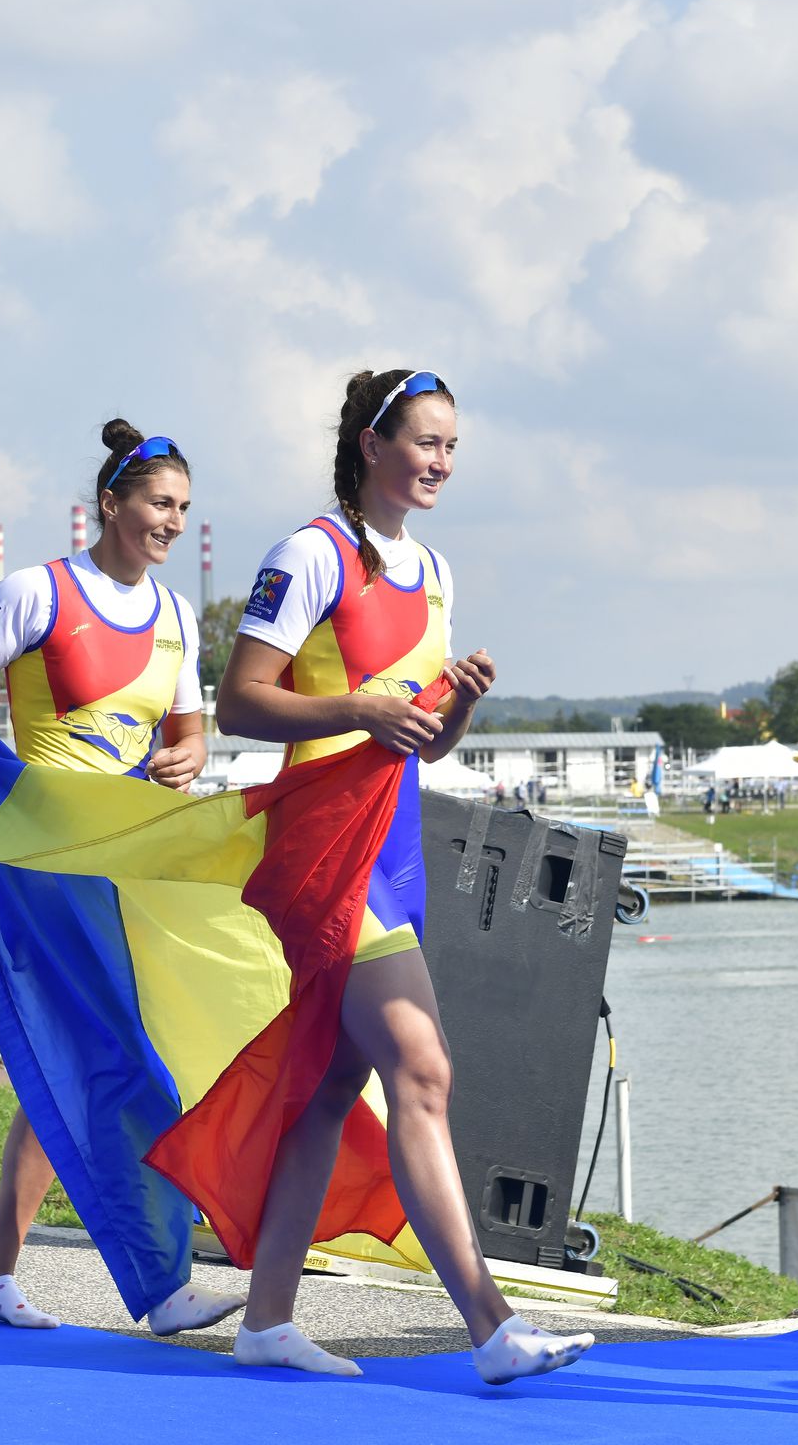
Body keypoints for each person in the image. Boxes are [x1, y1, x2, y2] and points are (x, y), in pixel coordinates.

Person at [213, 369, 593, 1383]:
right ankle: (492, 1323)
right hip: (321, 851)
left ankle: (266, 1320)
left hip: (394, 844)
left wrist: (453, 706)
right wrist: (360, 711)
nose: (440, 463)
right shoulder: (310, 555)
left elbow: (419, 746)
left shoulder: (434, 571)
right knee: (421, 1068)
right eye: (425, 442)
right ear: (372, 443)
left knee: (335, 1083)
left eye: (452, 448)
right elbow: (239, 704)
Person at [0, 417, 244, 1338]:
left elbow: (190, 735)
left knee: (66, 1063)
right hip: (46, 861)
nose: (172, 522)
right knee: (128, 1063)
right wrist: (1, 771)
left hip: (130, 862)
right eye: (158, 503)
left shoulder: (179, 618)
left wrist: (184, 759)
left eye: (184, 508)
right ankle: (165, 1282)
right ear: (111, 503)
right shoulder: (36, 592)